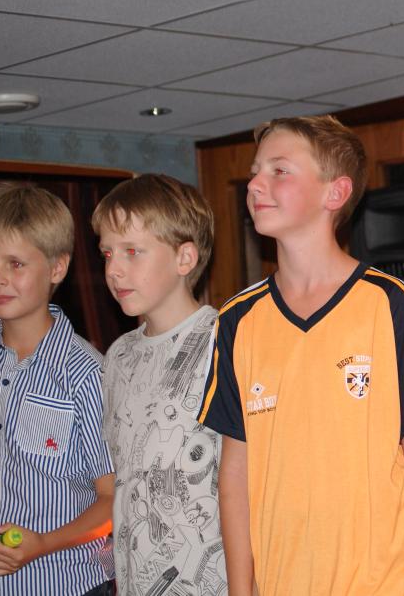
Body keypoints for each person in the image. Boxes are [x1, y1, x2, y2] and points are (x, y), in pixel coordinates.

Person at [196, 115, 404, 596]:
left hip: (381, 584)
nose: (256, 184)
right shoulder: (237, 320)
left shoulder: (387, 302)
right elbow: (235, 474)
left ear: (335, 193)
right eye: (255, 172)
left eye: (279, 171)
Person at [0, 183, 115, 596]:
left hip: (65, 584)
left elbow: (112, 498)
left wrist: (42, 543)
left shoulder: (87, 373)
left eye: (16, 263)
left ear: (57, 268)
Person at [92, 174, 227, 595]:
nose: (113, 269)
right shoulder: (119, 356)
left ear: (184, 258)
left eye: (132, 251)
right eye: (107, 253)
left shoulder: (225, 343)